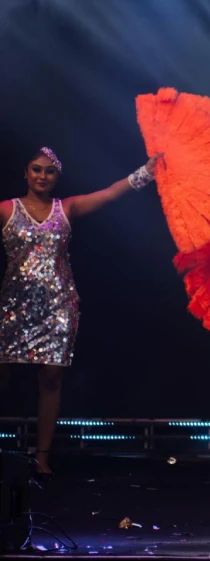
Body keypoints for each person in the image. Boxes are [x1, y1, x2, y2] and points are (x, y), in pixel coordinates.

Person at [0, 147, 157, 476]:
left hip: (59, 307)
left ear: (57, 177)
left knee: (52, 377)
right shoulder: (6, 209)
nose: (42, 176)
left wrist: (145, 172)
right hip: (15, 307)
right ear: (25, 173)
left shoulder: (66, 208)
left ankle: (42, 456)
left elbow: (110, 194)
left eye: (49, 171)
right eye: (36, 169)